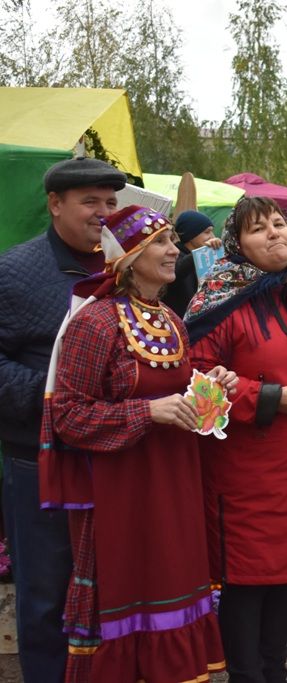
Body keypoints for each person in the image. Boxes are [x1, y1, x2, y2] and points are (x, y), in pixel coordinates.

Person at [40, 205, 229, 681]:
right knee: (128, 598)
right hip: (120, 497)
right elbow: (68, 416)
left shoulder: (170, 318)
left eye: (172, 241)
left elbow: (183, 404)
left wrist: (212, 389)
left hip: (173, 488)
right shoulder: (94, 323)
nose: (174, 250)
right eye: (161, 242)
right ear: (129, 256)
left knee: (175, 587)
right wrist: (146, 411)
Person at [185, 196, 287, 682]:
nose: (275, 233)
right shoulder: (217, 299)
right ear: (237, 243)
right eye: (259, 229)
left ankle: (273, 673)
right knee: (246, 583)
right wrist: (270, 399)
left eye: (279, 224)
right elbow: (195, 386)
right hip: (243, 477)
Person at [0, 156, 124, 681]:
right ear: (55, 205)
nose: (103, 213)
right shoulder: (14, 272)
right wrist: (53, 397)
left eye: (111, 203)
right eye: (90, 202)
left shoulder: (128, 267)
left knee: (113, 590)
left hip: (117, 457)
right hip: (39, 461)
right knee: (47, 596)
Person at [164, 210, 223, 316]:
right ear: (191, 234)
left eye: (212, 231)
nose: (212, 236)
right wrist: (201, 253)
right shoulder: (174, 255)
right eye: (207, 232)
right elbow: (177, 272)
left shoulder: (206, 256)